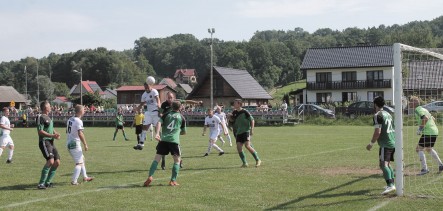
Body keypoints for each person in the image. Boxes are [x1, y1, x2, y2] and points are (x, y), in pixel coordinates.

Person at [143, 101, 186, 187]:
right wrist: (177, 132)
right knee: (177, 161)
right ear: (180, 107)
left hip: (164, 140)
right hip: (174, 141)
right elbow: (184, 132)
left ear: (172, 107)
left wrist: (158, 133)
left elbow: (159, 122)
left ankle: (150, 176)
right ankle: (172, 181)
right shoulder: (182, 117)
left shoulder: (166, 114)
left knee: (157, 159)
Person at [366, 96, 396, 195]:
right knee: (386, 164)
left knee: (383, 164)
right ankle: (391, 184)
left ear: (375, 104)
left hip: (385, 143)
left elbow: (377, 132)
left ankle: (391, 185)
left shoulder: (377, 115)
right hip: (392, 141)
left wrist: (371, 144)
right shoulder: (388, 114)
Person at [410, 97, 443, 175]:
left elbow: (425, 118)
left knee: (418, 149)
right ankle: (441, 165)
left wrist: (420, 129)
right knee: (428, 149)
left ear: (414, 103)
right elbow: (433, 118)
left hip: (428, 132)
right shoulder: (424, 109)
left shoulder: (418, 110)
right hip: (434, 131)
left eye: (410, 102)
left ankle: (425, 169)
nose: (409, 103)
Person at [66, 105, 94, 185]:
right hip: (74, 144)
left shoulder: (70, 119)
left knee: (82, 159)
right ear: (81, 111)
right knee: (79, 163)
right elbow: (80, 133)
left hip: (69, 142)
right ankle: (74, 181)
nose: (84, 111)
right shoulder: (78, 121)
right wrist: (85, 144)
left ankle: (85, 177)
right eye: (84, 110)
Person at [229, 99, 261, 167]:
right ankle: (245, 163)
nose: (234, 104)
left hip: (246, 131)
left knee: (247, 146)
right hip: (239, 132)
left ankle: (258, 160)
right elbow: (233, 120)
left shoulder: (245, 112)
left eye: (235, 103)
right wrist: (229, 117)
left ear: (239, 104)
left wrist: (252, 129)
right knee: (239, 147)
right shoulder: (234, 112)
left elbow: (252, 120)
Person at [37, 101, 61, 189]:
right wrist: (52, 135)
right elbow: (40, 131)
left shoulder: (48, 117)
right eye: (49, 106)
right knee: (50, 161)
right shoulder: (40, 117)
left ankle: (48, 182)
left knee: (57, 162)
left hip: (51, 142)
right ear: (45, 108)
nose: (51, 107)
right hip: (44, 141)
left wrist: (56, 133)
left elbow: (50, 128)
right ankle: (41, 183)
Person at [134, 82, 161, 150]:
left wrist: (159, 107)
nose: (146, 89)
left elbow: (158, 99)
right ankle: (141, 143)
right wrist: (137, 108)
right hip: (148, 112)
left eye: (147, 87)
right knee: (144, 127)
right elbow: (142, 103)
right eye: (145, 88)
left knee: (157, 129)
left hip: (155, 112)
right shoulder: (144, 95)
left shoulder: (154, 91)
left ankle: (160, 143)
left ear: (151, 85)